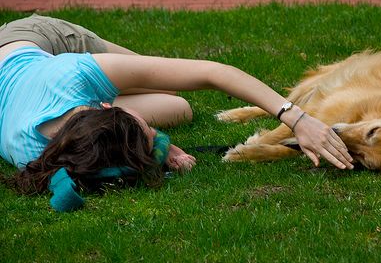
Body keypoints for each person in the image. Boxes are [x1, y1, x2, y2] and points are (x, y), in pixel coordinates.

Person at [0, 14, 353, 212]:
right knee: (177, 108)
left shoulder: (78, 72)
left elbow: (214, 73)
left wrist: (297, 118)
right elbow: (95, 166)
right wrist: (159, 147)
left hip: (34, 43)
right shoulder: (41, 151)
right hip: (28, 91)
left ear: (107, 108)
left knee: (169, 88)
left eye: (145, 133)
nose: (155, 136)